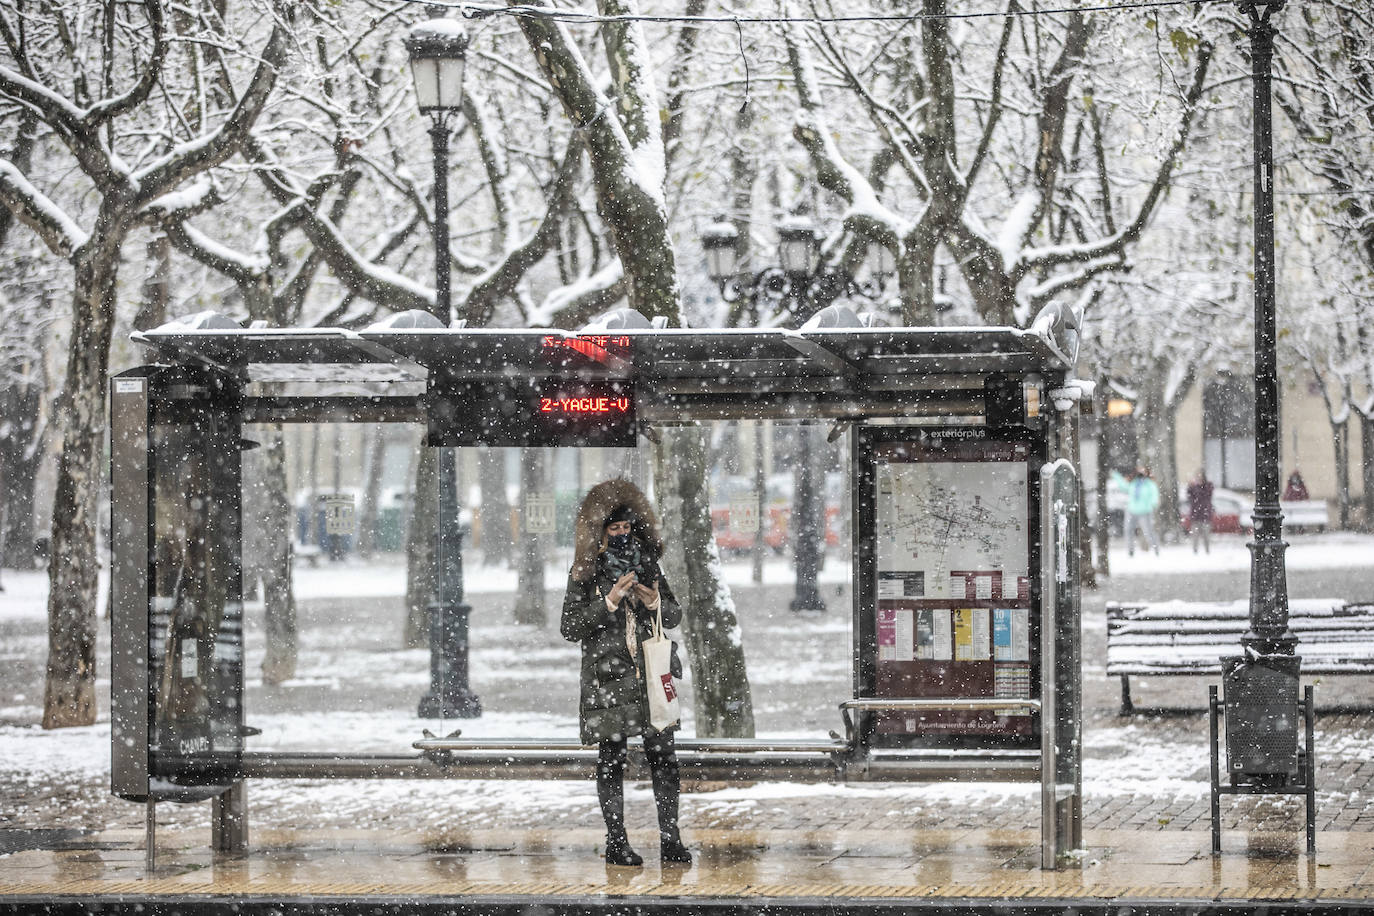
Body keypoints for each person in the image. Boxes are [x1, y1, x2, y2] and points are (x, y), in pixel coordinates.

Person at [560, 479, 692, 867]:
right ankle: (617, 842)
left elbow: (674, 615)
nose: (621, 535)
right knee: (611, 758)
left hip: (651, 674)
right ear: (599, 534)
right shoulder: (585, 571)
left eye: (626, 528)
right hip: (609, 680)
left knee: (664, 756)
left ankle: (671, 838)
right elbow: (570, 627)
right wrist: (610, 601)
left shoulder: (647, 563)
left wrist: (654, 603)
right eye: (613, 529)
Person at [1124, 466, 1160, 556]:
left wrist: (1153, 503)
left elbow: (1154, 494)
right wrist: (1116, 476)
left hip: (1145, 511)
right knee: (1128, 530)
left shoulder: (1150, 484)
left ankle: (1156, 549)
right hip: (1132, 510)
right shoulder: (1133, 483)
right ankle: (1130, 550)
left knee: (1148, 531)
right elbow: (1124, 487)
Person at [1186, 468, 1214, 555]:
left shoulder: (1208, 486)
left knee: (1206, 536)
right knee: (1195, 536)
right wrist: (1191, 486)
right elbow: (1189, 497)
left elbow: (1204, 495)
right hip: (1195, 515)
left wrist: (1197, 486)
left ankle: (1207, 551)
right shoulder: (1193, 488)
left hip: (1205, 515)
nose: (1198, 478)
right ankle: (1195, 551)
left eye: (1200, 476)